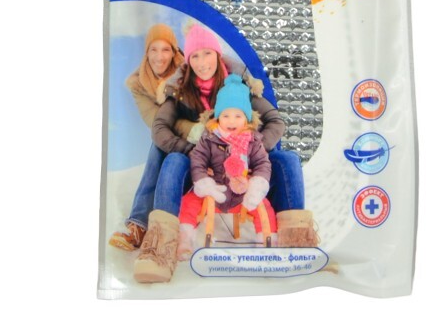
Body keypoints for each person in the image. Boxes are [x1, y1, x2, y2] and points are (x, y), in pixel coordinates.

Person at [133, 23, 314, 284]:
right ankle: (160, 249)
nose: (201, 62)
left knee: (288, 159)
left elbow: (276, 121)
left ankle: (296, 243)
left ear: (218, 56)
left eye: (207, 53)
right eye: (195, 56)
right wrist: (191, 151)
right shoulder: (182, 90)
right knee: (172, 159)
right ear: (188, 60)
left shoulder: (238, 87)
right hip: (204, 169)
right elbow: (159, 127)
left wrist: (251, 148)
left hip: (245, 166)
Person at [177, 74, 278, 260]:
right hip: (214, 190)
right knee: (188, 203)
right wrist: (204, 182)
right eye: (226, 115)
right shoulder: (209, 138)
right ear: (218, 117)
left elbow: (263, 163)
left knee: (264, 207)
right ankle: (184, 239)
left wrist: (256, 184)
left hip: (242, 192)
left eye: (238, 116)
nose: (231, 121)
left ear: (246, 119)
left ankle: (266, 241)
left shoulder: (253, 141)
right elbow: (198, 159)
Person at [107, 24, 184, 251]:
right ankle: (140, 227)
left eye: (166, 49)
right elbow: (156, 122)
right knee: (159, 144)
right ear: (146, 52)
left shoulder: (187, 71)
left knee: (160, 146)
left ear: (174, 52)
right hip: (169, 140)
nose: (159, 57)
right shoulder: (138, 83)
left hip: (196, 139)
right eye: (153, 49)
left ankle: (141, 226)